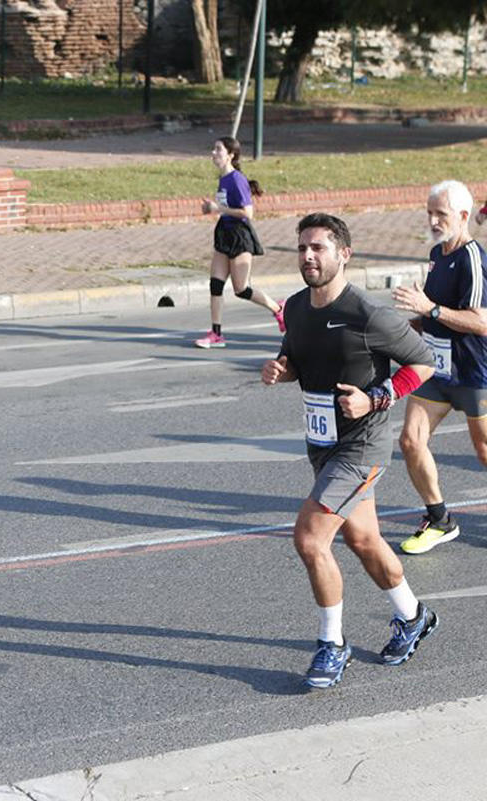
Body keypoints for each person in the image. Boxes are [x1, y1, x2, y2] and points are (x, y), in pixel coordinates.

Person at [262, 212, 438, 689]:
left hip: (362, 447)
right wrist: (280, 369)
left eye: (318, 248)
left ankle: (332, 643)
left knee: (310, 539)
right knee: (363, 540)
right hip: (322, 444)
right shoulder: (297, 308)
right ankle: (413, 615)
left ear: (344, 254)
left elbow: (423, 362)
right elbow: (296, 359)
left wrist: (376, 398)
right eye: (302, 248)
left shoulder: (368, 314)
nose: (308, 256)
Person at [392, 180, 487, 554]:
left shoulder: (472, 259)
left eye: (440, 214)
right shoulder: (437, 253)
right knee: (411, 440)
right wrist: (401, 327)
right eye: (429, 212)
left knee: (484, 452)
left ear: (463, 216)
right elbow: (433, 313)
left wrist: (429, 309)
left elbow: (480, 322)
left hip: (474, 372)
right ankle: (440, 519)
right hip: (437, 369)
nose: (432, 220)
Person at [195, 137, 285, 349]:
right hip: (224, 233)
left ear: (230, 155)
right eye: (214, 148)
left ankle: (278, 309)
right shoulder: (223, 178)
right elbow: (225, 207)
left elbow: (248, 213)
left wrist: (218, 208)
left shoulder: (237, 179)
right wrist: (212, 209)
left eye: (218, 149)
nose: (213, 153)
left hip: (239, 236)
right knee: (215, 285)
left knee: (241, 289)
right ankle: (216, 334)